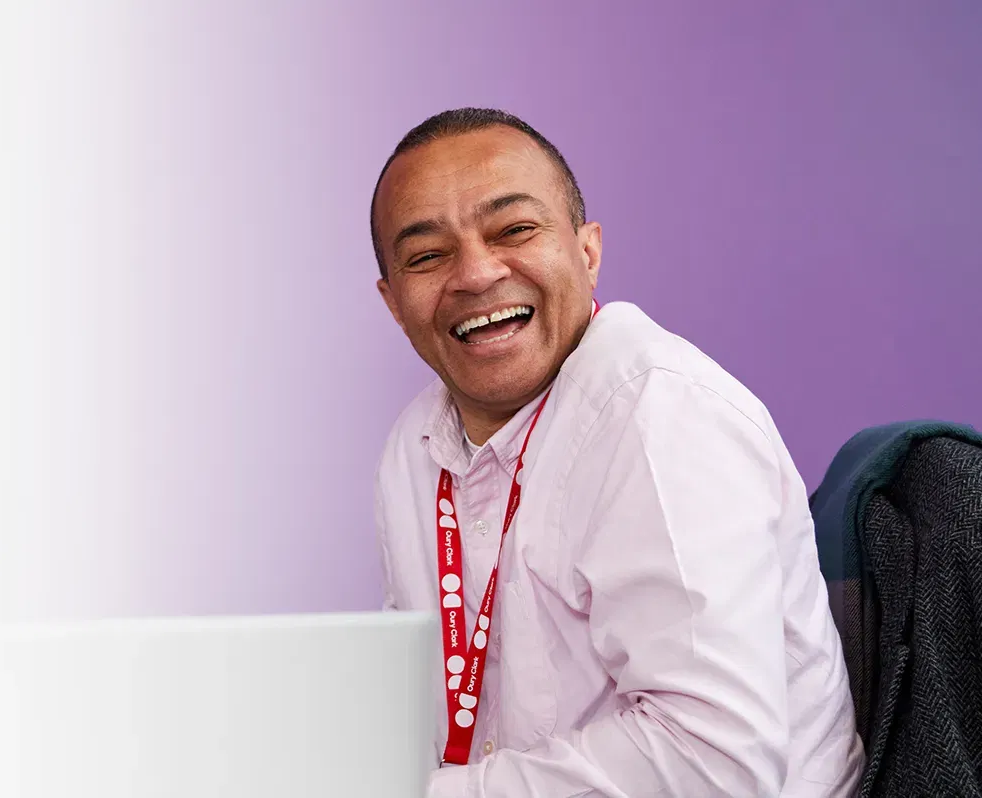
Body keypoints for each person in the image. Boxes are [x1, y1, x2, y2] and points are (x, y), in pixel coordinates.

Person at [370, 108, 865, 797]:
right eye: (427, 256)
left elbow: (715, 763)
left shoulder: (661, 415)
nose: (477, 273)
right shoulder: (415, 446)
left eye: (514, 229)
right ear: (394, 302)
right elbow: (427, 702)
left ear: (588, 251)